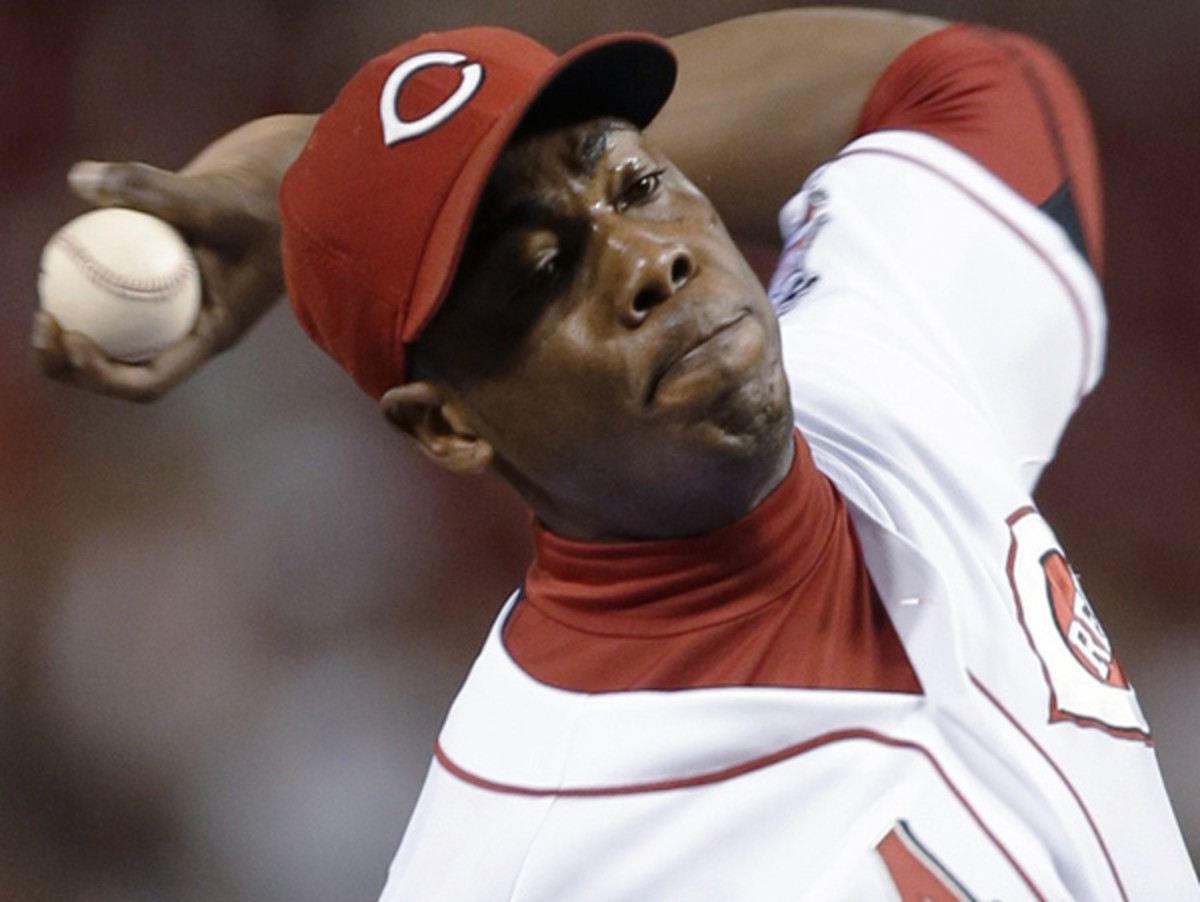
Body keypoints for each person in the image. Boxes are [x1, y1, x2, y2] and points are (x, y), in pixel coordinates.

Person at [33, 7, 1199, 899]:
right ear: (447, 425)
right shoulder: (536, 855)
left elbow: (967, 86)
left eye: (638, 182)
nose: (649, 256)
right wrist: (353, 208)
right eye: (540, 270)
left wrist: (330, 178)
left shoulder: (890, 363)